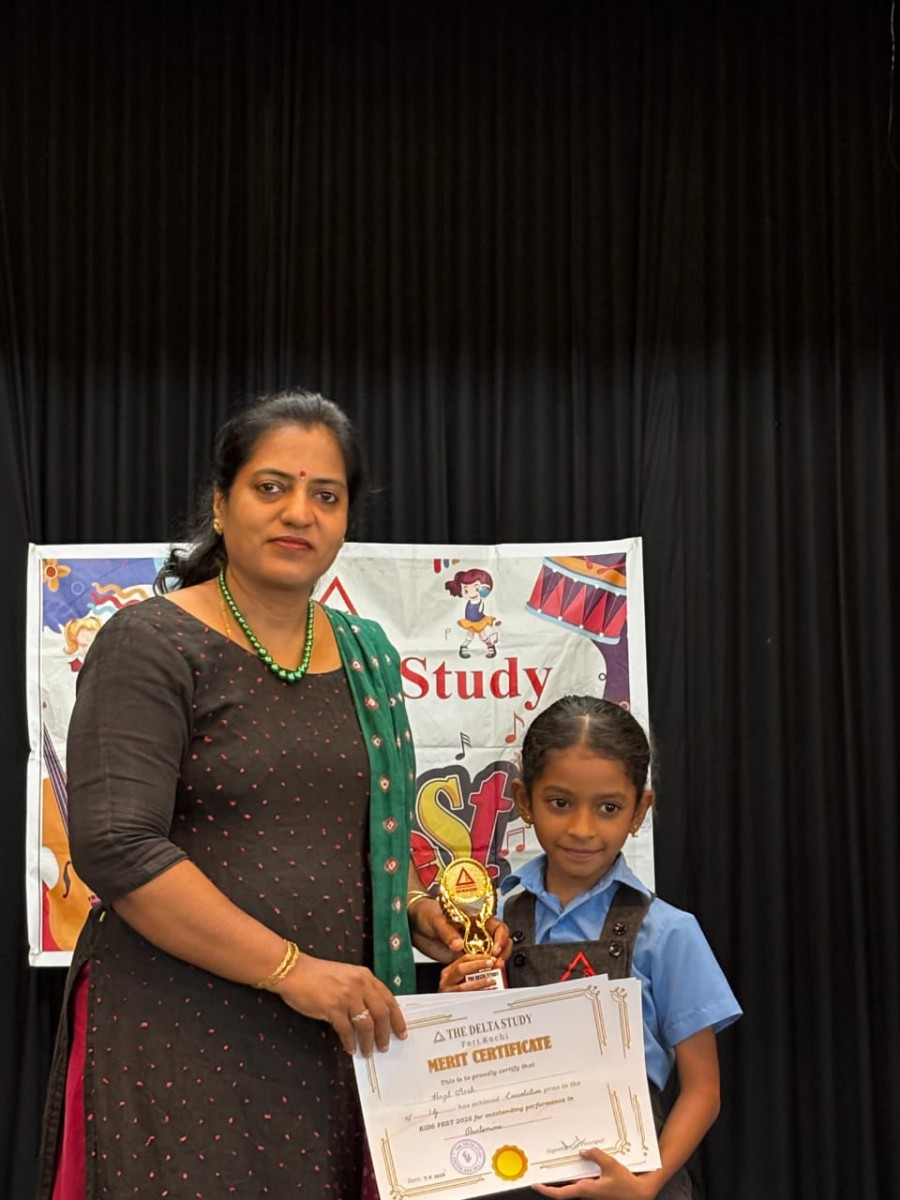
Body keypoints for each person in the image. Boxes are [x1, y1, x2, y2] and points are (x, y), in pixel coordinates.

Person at [38, 389, 504, 1199]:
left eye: (326, 495)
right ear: (221, 505)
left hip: (332, 1037)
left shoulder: (366, 652)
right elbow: (119, 847)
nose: (299, 512)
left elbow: (354, 842)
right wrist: (292, 970)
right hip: (177, 1031)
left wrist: (414, 913)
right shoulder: (152, 641)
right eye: (271, 487)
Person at [439, 695, 741, 1200]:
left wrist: (646, 1186)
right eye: (560, 803)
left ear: (639, 811)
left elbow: (704, 1090)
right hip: (513, 1178)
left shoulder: (669, 932)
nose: (582, 828)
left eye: (608, 808)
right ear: (524, 800)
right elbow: (474, 1067)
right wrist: (453, 1015)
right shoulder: (493, 924)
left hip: (630, 1183)